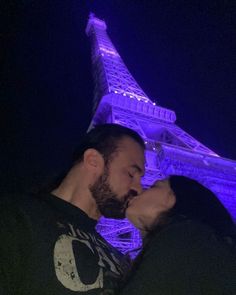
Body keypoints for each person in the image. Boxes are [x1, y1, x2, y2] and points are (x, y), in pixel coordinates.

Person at [0, 123, 147, 294]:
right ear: (93, 160)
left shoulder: (118, 258)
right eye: (131, 174)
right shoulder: (15, 216)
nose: (139, 188)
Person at [121, 176, 236, 295]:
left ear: (175, 198)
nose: (139, 190)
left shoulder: (186, 238)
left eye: (154, 186)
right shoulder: (193, 241)